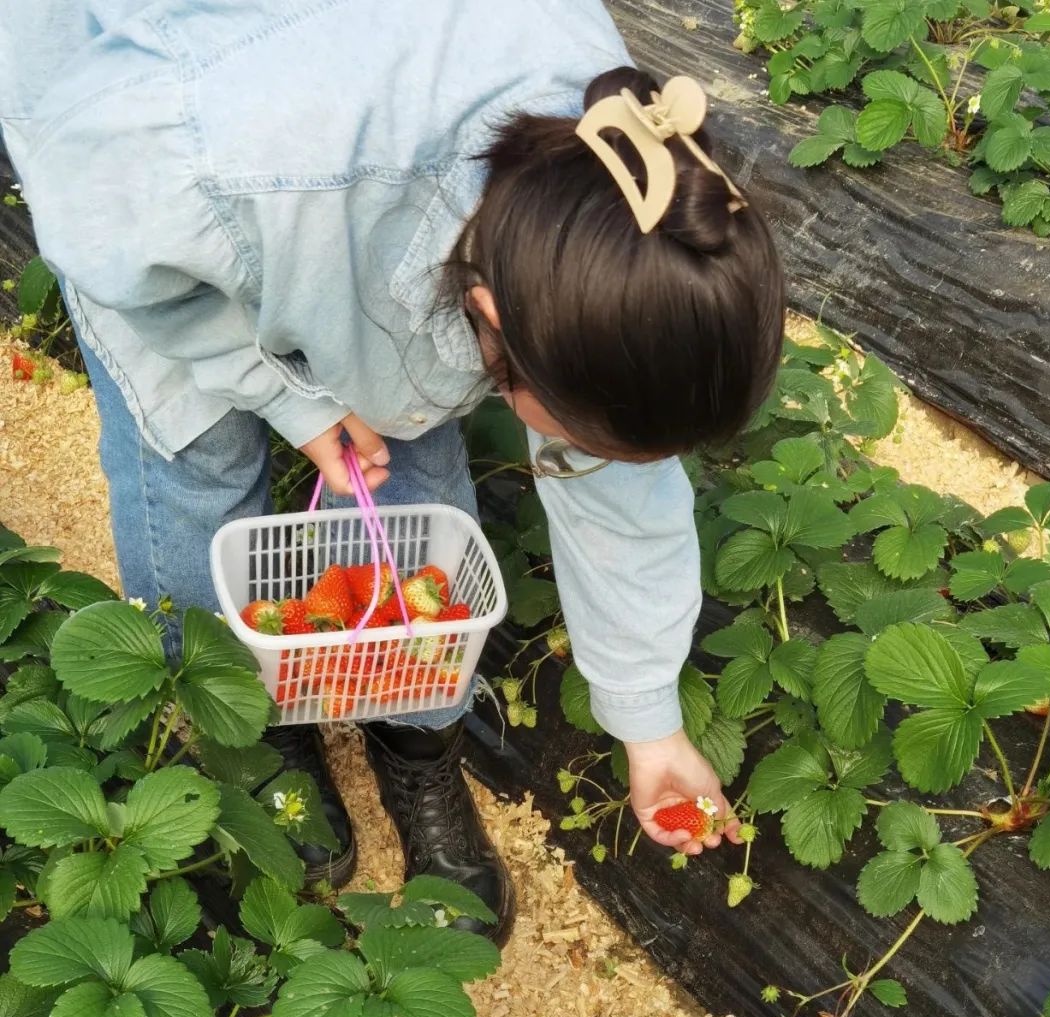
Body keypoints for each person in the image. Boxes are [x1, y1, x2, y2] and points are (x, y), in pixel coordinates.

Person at [0, 1, 784, 945]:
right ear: (492, 315)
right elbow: (93, 208)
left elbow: (619, 479)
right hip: (132, 146)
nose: (587, 457)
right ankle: (244, 725)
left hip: (349, 153)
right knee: (198, 453)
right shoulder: (210, 143)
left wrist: (652, 729)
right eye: (577, 435)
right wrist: (286, 396)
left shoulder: (629, 194)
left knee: (407, 446)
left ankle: (416, 738)